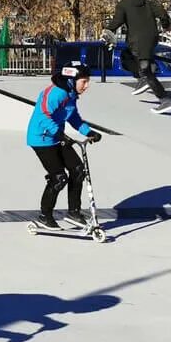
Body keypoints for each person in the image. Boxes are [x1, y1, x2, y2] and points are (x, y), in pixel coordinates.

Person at [26, 63, 103, 230]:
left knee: (78, 170)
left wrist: (88, 132)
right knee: (59, 178)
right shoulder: (56, 93)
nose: (87, 86)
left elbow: (73, 117)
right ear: (71, 80)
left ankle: (73, 213)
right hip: (42, 139)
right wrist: (60, 134)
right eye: (84, 81)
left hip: (57, 137)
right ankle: (45, 216)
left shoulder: (70, 95)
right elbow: (43, 116)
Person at [107, 0, 171, 114]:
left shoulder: (123, 4)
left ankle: (164, 100)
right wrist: (166, 25)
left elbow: (117, 21)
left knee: (144, 69)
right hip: (152, 38)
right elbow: (161, 11)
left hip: (137, 40)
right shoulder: (147, 2)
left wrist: (107, 31)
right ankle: (143, 77)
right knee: (128, 55)